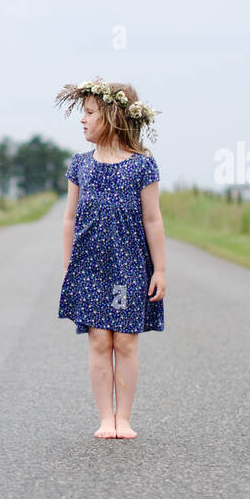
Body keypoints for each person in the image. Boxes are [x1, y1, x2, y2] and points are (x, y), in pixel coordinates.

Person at [53, 78, 167, 440]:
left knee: (126, 341)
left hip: (130, 266)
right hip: (90, 267)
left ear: (113, 116)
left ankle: (124, 418)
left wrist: (159, 269)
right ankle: (105, 418)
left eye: (89, 113)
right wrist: (69, 265)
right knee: (100, 340)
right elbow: (69, 218)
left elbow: (153, 219)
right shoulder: (80, 166)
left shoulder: (142, 167)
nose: (82, 120)